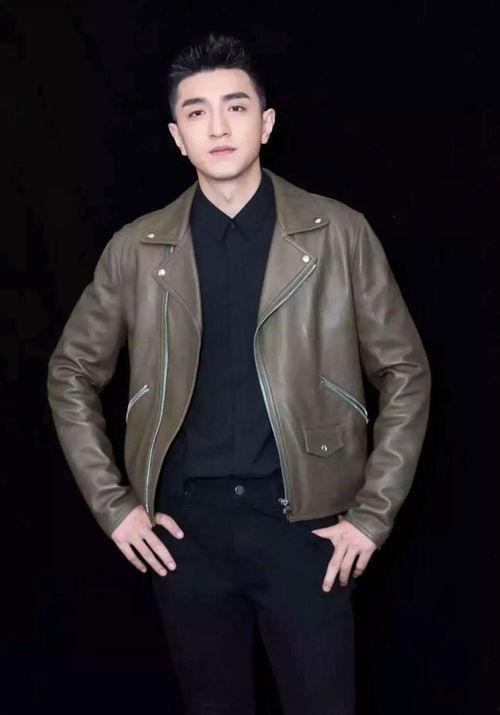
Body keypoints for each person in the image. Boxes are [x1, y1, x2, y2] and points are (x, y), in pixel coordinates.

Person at [47, 31, 431, 715]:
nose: (218, 127)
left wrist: (372, 516)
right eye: (196, 112)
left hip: (306, 529)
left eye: (236, 106)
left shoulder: (339, 232)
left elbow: (405, 370)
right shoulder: (137, 248)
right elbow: (71, 370)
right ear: (177, 136)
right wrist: (115, 507)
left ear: (267, 123)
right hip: (184, 535)